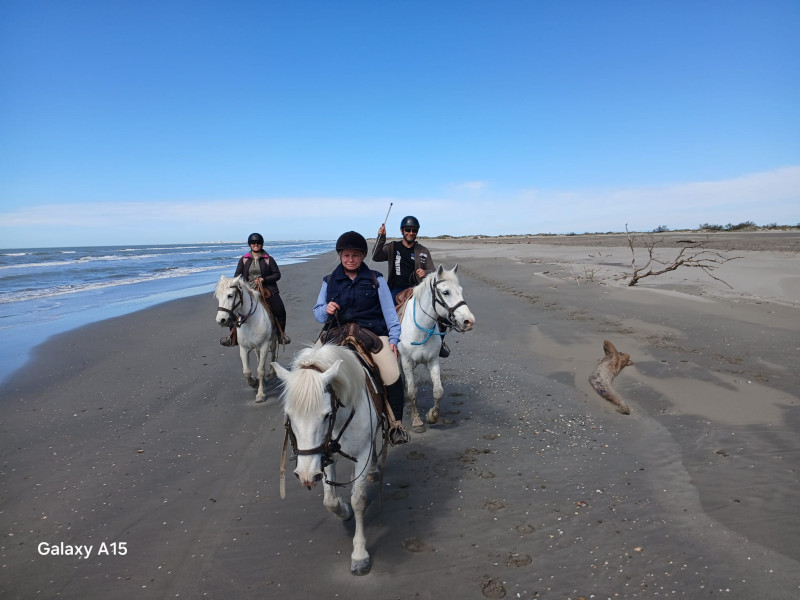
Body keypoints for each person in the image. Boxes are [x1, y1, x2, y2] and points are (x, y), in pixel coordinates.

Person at [314, 231, 407, 439]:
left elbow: (390, 314)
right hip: (336, 331)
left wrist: (393, 339)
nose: (350, 259)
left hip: (371, 332)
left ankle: (395, 424)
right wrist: (326, 309)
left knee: (392, 374)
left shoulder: (376, 279)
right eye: (346, 255)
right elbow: (318, 313)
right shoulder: (329, 281)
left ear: (363, 256)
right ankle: (303, 421)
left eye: (355, 255)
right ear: (340, 255)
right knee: (306, 369)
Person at [372, 215, 449, 357]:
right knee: (385, 314)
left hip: (418, 289)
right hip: (397, 289)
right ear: (402, 230)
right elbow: (375, 256)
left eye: (414, 230)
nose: (411, 233)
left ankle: (440, 344)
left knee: (443, 313)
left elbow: (433, 271)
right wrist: (381, 237)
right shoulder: (392, 247)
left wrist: (425, 272)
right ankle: (386, 343)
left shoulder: (423, 251)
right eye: (408, 229)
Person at [220, 232, 290, 346]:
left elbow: (277, 275)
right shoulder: (244, 259)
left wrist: (264, 279)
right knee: (233, 309)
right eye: (253, 243)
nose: (255, 244)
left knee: (280, 309)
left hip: (267, 289)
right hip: (247, 290)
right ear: (250, 244)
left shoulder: (268, 259)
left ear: (261, 244)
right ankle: (232, 337)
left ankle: (281, 335)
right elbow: (237, 275)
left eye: (258, 243)